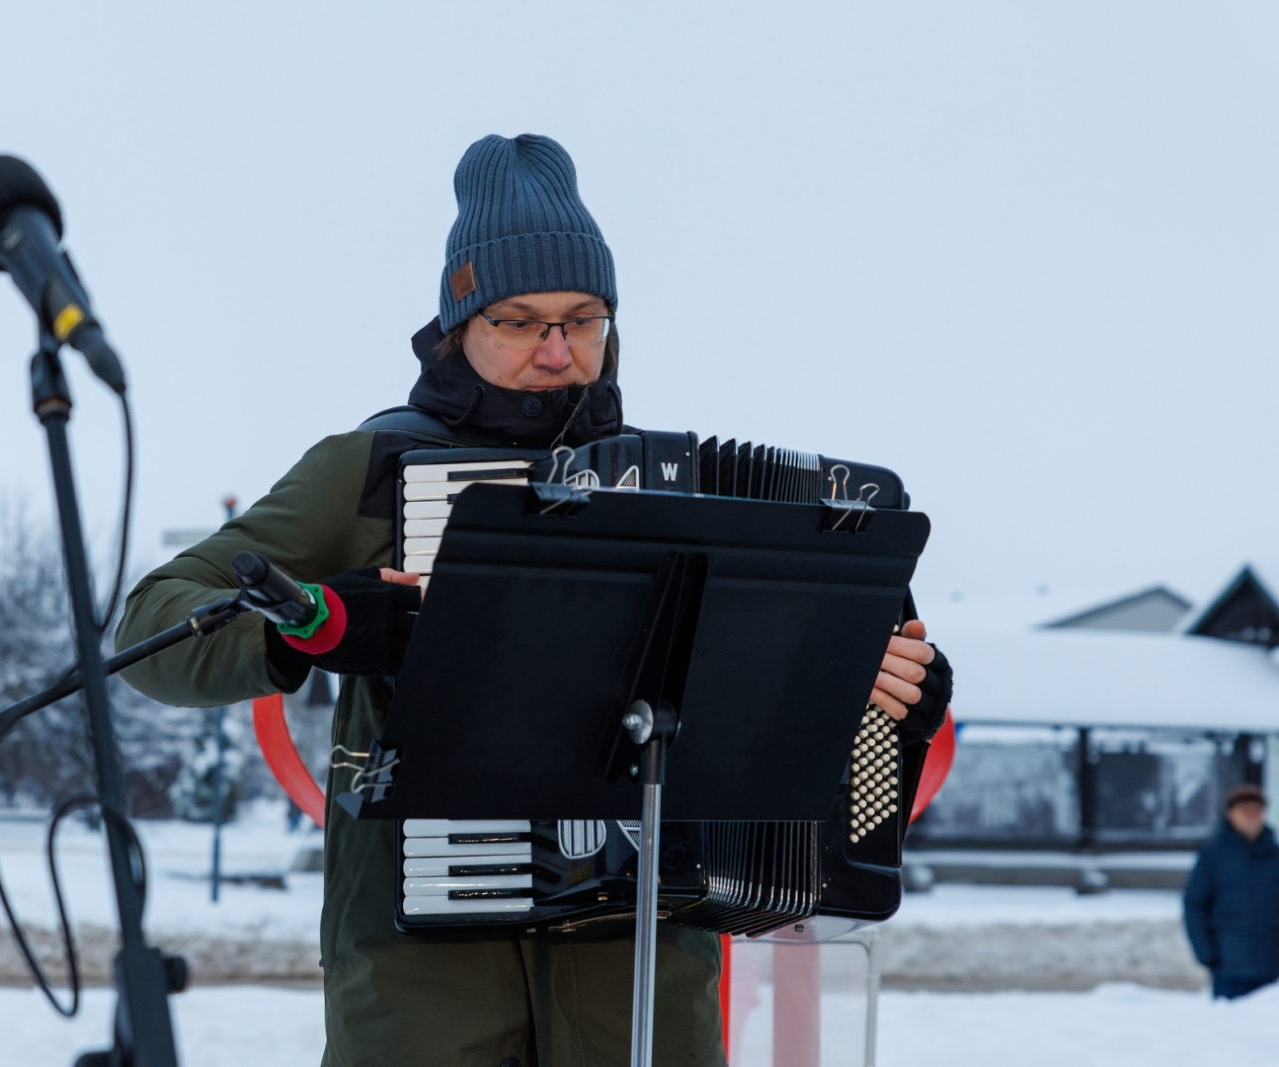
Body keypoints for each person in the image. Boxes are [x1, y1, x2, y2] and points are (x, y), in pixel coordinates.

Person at [118, 133, 954, 1067]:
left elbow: (762, 748)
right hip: (424, 997)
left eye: (582, 318)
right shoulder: (371, 471)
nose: (558, 353)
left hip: (644, 993)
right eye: (519, 321)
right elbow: (152, 626)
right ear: (458, 325)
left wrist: (882, 701)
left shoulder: (687, 493)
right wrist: (319, 623)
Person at [1183, 784, 1279, 999]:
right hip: (1229, 965)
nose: (1252, 817)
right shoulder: (1214, 855)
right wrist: (1206, 953)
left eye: (1257, 811)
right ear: (1231, 814)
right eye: (1245, 811)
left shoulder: (1274, 855)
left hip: (1271, 965)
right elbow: (1195, 904)